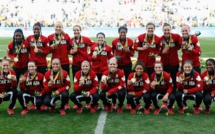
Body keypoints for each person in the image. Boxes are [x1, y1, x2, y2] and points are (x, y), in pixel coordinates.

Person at [48, 21, 71, 110]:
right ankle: (52, 101)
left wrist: (70, 52)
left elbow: (69, 48)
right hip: (54, 64)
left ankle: (66, 102)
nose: (58, 28)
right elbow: (48, 51)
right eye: (57, 27)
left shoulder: (66, 36)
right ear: (54, 27)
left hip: (65, 62)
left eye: (60, 27)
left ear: (62, 28)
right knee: (53, 81)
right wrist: (51, 47)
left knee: (65, 82)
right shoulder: (50, 37)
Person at [159, 23, 181, 91]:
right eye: (165, 30)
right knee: (164, 78)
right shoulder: (160, 39)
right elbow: (157, 51)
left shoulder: (176, 36)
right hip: (164, 63)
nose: (166, 31)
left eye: (168, 30)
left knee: (174, 78)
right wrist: (162, 52)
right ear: (162, 30)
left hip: (174, 62)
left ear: (170, 30)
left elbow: (180, 44)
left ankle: (174, 91)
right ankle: (166, 91)